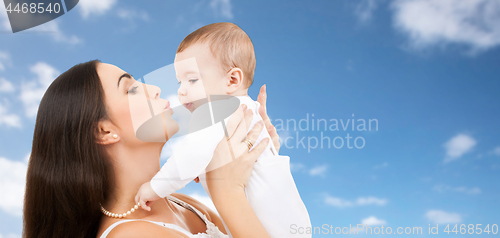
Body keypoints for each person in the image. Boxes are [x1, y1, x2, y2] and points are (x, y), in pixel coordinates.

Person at [22, 60, 280, 238]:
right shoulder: (131, 234)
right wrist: (228, 193)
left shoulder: (184, 204)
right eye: (131, 89)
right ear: (104, 131)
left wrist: (261, 163)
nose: (154, 89)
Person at [135, 22, 311, 238]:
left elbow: (190, 156)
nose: (181, 91)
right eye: (180, 81)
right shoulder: (246, 108)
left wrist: (154, 188)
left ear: (232, 80)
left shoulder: (219, 110)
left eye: (192, 80)